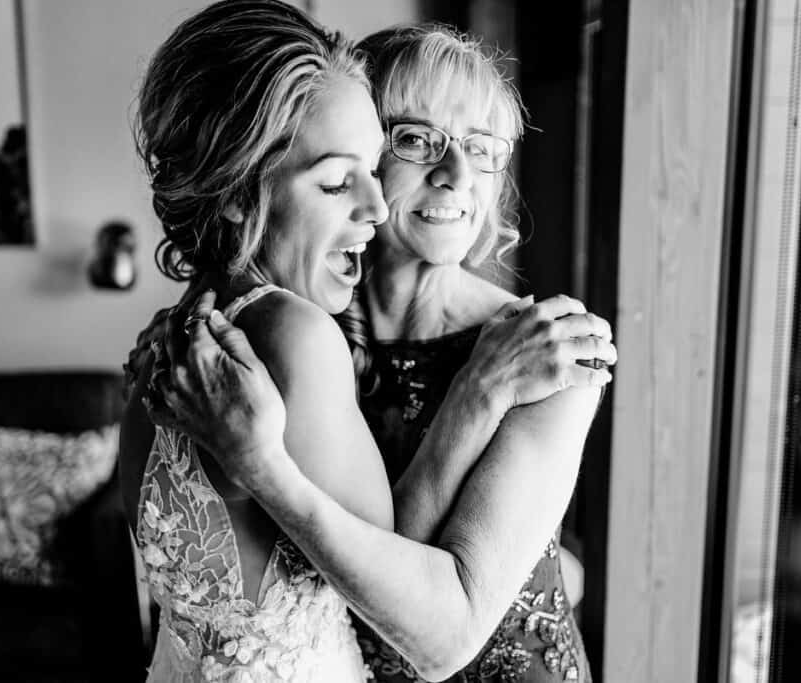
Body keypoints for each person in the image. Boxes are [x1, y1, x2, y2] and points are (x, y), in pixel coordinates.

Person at [144, 21, 617, 683]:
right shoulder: (296, 331)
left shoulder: (544, 352)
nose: (457, 174)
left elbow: (434, 632)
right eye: (419, 138)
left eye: (482, 149)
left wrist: (480, 392)